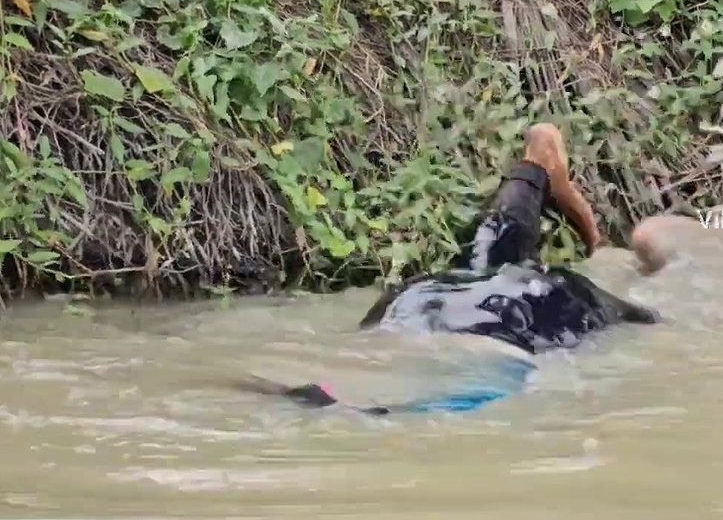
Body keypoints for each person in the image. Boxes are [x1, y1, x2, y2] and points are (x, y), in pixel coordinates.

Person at [248, 123, 660, 415]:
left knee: (642, 317)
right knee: (483, 268)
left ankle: (539, 171)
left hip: (432, 312)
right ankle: (538, 169)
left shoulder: (348, 404)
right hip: (419, 308)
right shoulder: (337, 395)